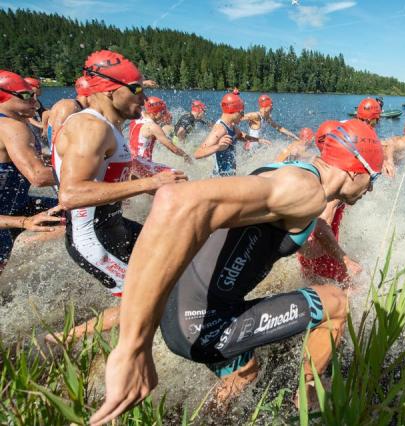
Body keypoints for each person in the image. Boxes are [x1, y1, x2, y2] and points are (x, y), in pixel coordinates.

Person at [89, 118, 384, 425]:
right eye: (372, 178)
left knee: (247, 372)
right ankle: (306, 393)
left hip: (182, 309)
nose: (371, 189)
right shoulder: (303, 189)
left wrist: (341, 257)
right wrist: (133, 347)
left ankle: (203, 419)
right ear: (355, 168)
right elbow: (176, 200)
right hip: (203, 324)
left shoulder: (296, 176)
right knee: (338, 302)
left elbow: (297, 226)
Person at [48, 50, 187, 342]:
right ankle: (67, 340)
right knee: (146, 302)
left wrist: (155, 184)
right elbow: (71, 194)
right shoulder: (90, 128)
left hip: (116, 226)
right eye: (136, 89)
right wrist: (150, 183)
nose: (145, 98)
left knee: (177, 264)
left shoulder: (110, 126)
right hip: (93, 239)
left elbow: (107, 175)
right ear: (111, 91)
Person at [0, 70, 58, 273]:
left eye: (34, 94)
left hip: (18, 205)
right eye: (26, 95)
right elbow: (39, 176)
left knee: (72, 212)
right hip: (7, 217)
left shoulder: (14, 124)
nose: (34, 100)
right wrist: (91, 174)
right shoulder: (10, 126)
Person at [297, 122, 362, 285]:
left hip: (305, 249)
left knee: (313, 289)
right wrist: (345, 259)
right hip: (324, 252)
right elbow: (320, 226)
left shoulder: (314, 165)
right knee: (351, 288)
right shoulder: (337, 179)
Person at [194, 92, 262, 177]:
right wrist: (218, 146)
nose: (243, 116)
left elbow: (240, 136)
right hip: (219, 179)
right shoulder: (220, 129)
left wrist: (258, 140)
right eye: (242, 113)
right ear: (234, 111)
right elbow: (197, 153)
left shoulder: (232, 126)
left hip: (229, 177)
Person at [129, 96, 192, 178]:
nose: (164, 115)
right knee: (180, 175)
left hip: (131, 162)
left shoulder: (136, 118)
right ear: (154, 113)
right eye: (162, 112)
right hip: (143, 164)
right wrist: (185, 155)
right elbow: (173, 148)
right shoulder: (153, 127)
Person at [43, 76, 91, 146]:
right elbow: (56, 136)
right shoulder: (69, 106)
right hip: (60, 152)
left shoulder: (77, 107)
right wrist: (44, 129)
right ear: (91, 95)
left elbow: (46, 113)